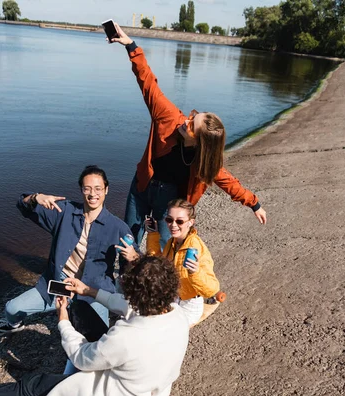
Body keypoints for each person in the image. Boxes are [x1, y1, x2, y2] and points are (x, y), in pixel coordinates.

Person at [0, 256, 190, 396]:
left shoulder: (127, 337)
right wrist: (88, 291)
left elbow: (81, 357)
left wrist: (63, 320)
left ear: (136, 293)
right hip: (146, 390)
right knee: (83, 310)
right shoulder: (176, 313)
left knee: (35, 384)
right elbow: (126, 306)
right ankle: (69, 380)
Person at [110, 23, 267, 247]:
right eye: (193, 115)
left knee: (166, 246)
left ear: (201, 142)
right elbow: (148, 83)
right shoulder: (169, 117)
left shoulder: (206, 163)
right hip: (143, 185)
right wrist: (131, 47)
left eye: (193, 124)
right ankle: (124, 279)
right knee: (127, 239)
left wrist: (254, 204)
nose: (187, 121)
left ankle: (159, 282)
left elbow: (229, 182)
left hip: (171, 199)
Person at [0, 165, 137, 338]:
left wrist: (134, 257)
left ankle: (78, 314)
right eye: (87, 189)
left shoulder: (118, 226)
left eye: (98, 189)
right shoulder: (64, 212)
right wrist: (36, 197)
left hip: (92, 290)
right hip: (59, 283)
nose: (93, 194)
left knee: (98, 337)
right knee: (11, 308)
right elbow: (23, 206)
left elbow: (139, 262)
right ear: (81, 190)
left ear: (106, 190)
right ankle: (14, 325)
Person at [146, 199, 220, 326]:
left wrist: (195, 272)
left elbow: (212, 290)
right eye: (169, 220)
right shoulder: (172, 242)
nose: (173, 225)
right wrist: (153, 234)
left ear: (190, 222)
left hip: (189, 304)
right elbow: (158, 265)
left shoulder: (196, 247)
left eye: (179, 221)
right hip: (172, 298)